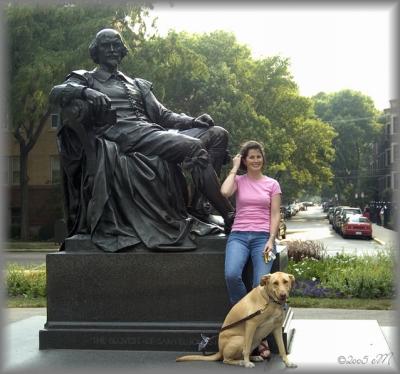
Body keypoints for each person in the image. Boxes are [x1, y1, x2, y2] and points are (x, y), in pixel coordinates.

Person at [50, 28, 235, 240]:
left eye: (116, 45)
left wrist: (192, 121)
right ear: (96, 51)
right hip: (123, 136)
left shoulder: (136, 83)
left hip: (152, 133)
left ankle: (199, 207)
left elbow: (163, 115)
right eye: (106, 45)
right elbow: (56, 92)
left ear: (122, 50)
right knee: (193, 147)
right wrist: (86, 91)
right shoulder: (87, 78)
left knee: (218, 134)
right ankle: (229, 214)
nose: (112, 49)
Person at [220, 140, 282, 359]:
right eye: (251, 157)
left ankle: (261, 336)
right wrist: (235, 168)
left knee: (260, 285)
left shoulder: (272, 184)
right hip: (238, 236)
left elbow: (275, 214)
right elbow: (224, 192)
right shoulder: (238, 180)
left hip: (262, 239)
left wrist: (271, 239)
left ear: (263, 159)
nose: (255, 160)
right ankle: (247, 322)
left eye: (258, 156)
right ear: (245, 160)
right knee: (231, 275)